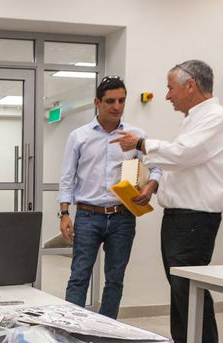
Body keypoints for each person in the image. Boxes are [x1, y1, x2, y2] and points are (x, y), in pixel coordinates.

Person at [111, 60, 223, 343]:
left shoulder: (215, 118)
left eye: (171, 88)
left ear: (191, 85)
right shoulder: (194, 120)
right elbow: (183, 163)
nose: (167, 96)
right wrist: (154, 184)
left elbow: (184, 154)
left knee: (189, 290)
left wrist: (142, 143)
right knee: (180, 289)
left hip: (194, 218)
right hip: (180, 217)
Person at [59, 76, 161, 319]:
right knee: (79, 276)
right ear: (97, 102)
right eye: (110, 101)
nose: (117, 106)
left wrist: (150, 187)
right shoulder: (79, 136)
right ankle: (70, 330)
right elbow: (67, 177)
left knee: (115, 280)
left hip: (122, 218)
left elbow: (156, 168)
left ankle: (107, 330)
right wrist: (64, 214)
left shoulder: (136, 136)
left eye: (122, 101)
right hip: (88, 215)